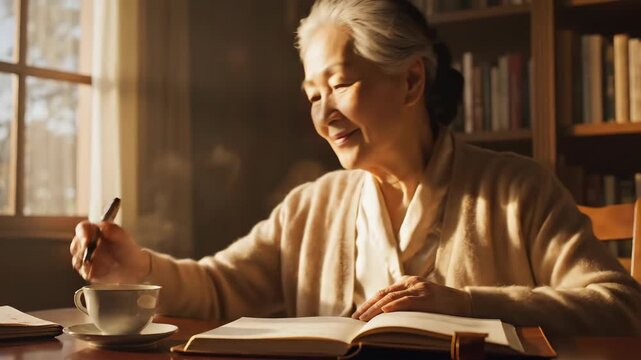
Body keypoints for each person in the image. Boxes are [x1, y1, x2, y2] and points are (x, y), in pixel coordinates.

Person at [70, 0, 641, 336]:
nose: (324, 113)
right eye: (312, 94)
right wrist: (136, 265)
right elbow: (219, 288)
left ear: (412, 80)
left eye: (339, 84)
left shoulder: (518, 190)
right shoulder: (310, 204)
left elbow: (617, 303)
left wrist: (468, 306)